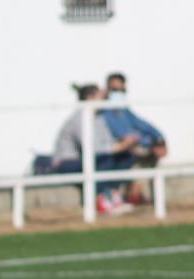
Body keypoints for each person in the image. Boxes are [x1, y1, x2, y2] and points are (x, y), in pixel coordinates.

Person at [49, 83, 138, 215]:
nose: (104, 98)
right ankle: (99, 201)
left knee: (127, 157)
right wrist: (119, 146)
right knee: (104, 160)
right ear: (90, 98)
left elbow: (106, 142)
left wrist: (125, 145)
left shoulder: (98, 117)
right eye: (99, 95)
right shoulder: (79, 118)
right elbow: (93, 149)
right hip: (67, 163)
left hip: (88, 159)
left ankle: (113, 195)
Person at [103, 72, 167, 204]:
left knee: (151, 153)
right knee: (135, 155)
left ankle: (145, 196)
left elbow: (142, 125)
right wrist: (138, 142)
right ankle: (134, 194)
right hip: (117, 153)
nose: (118, 94)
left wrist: (160, 140)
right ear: (107, 90)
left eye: (121, 90)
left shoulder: (124, 110)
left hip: (132, 148)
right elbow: (119, 136)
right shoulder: (103, 111)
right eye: (114, 90)